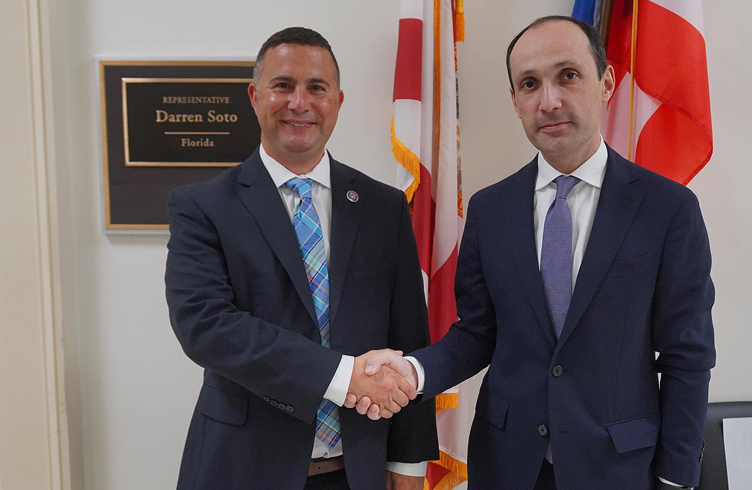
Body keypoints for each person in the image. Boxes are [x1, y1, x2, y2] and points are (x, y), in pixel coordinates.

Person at [351, 16, 715, 490]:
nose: (549, 101)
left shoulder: (668, 209)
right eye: (529, 84)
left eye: (568, 75)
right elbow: (477, 333)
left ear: (606, 82)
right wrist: (414, 372)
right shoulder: (490, 209)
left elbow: (687, 356)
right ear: (515, 100)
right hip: (508, 466)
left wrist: (677, 479)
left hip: (620, 469)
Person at [165, 27, 438, 490]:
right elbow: (204, 326)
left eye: (316, 87)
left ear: (338, 101)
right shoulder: (203, 207)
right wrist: (342, 375)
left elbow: (408, 336)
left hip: (359, 472)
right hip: (243, 469)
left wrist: (408, 462)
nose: (299, 102)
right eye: (283, 85)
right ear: (254, 96)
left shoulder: (384, 207)